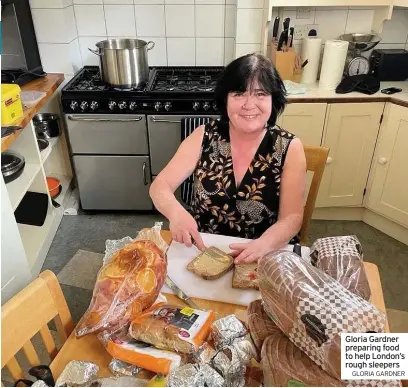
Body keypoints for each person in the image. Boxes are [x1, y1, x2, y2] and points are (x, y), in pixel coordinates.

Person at [150, 54, 306, 264]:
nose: (249, 104)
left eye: (260, 94)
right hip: (203, 249)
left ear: (273, 99)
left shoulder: (289, 147)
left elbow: (292, 217)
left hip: (264, 255)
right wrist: (176, 213)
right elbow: (160, 186)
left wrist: (265, 243)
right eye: (239, 94)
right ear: (225, 99)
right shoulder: (204, 136)